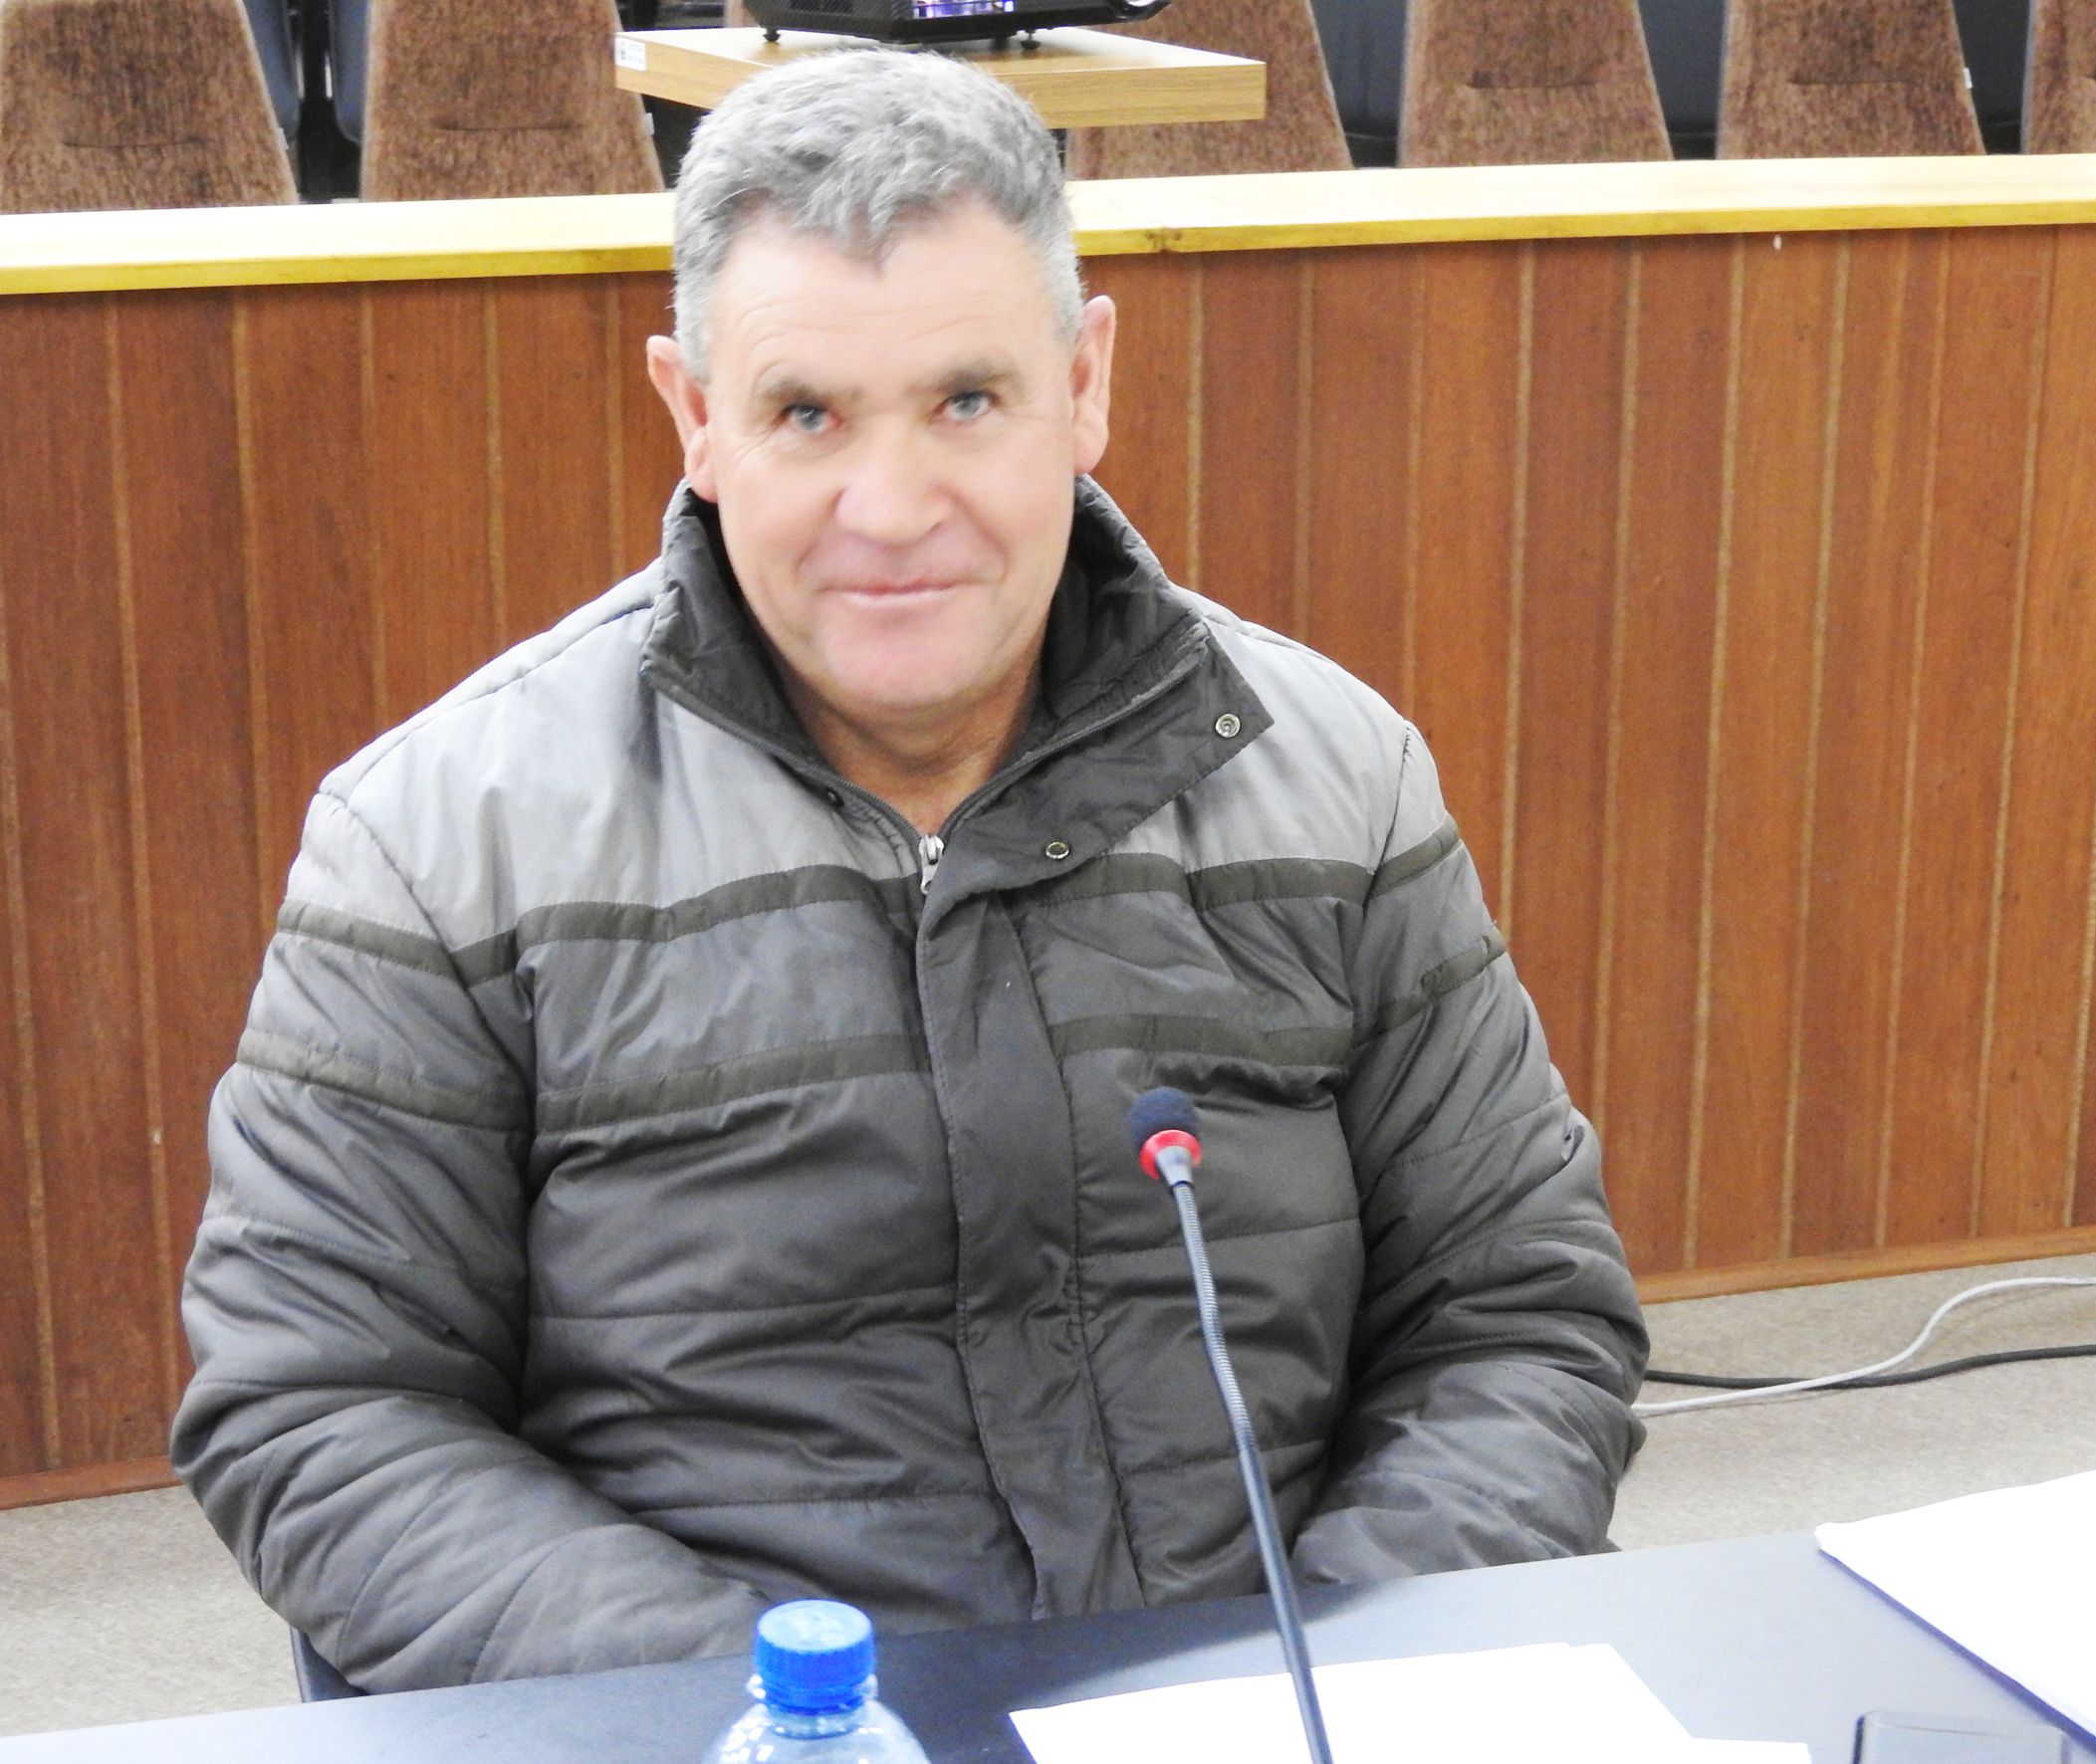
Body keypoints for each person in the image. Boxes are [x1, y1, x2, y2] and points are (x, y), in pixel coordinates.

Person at [171, 47, 1647, 1693]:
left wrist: (1340, 1681)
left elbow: (1515, 1319)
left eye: (966, 401)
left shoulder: (1338, 780)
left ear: (1083, 383)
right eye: (806, 414)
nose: (890, 510)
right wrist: (784, 1717)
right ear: (695, 417)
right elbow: (325, 1408)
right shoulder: (442, 838)